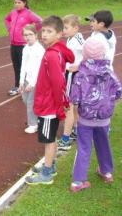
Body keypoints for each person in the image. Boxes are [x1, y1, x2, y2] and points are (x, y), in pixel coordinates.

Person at [25, 16, 74, 185]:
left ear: (59, 34)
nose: (44, 34)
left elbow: (58, 82)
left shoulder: (52, 55)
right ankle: (49, 165)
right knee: (49, 138)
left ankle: (46, 173)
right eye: (43, 31)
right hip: (49, 104)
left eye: (49, 31)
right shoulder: (54, 51)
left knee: (49, 140)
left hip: (49, 107)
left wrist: (61, 105)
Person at [69, 37, 121, 192]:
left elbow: (74, 98)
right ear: (103, 53)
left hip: (85, 118)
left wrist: (76, 115)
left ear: (84, 53)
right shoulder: (109, 73)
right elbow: (118, 91)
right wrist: (109, 102)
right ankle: (106, 172)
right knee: (103, 144)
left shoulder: (80, 74)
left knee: (84, 148)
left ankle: (78, 181)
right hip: (104, 119)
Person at [5, 0, 42, 96]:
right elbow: (6, 19)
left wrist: (33, 32)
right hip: (13, 44)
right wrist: (9, 29)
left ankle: (29, 87)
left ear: (24, 3)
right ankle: (18, 86)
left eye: (19, 2)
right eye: (15, 2)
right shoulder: (13, 13)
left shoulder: (28, 13)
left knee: (25, 67)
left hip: (23, 45)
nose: (16, 4)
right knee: (16, 66)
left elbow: (39, 21)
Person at [57, 15, 85, 151]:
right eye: (63, 27)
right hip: (71, 74)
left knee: (68, 106)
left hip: (73, 75)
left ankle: (66, 139)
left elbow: (89, 54)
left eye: (66, 28)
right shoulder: (72, 38)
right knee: (74, 106)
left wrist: (79, 66)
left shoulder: (78, 41)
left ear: (76, 28)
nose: (64, 30)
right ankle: (76, 130)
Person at [18, 24, 45, 134]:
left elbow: (39, 68)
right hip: (26, 79)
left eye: (30, 34)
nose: (28, 37)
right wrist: (20, 81)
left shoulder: (39, 49)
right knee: (25, 99)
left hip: (36, 80)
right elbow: (23, 65)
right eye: (25, 35)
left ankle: (33, 124)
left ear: (36, 35)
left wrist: (32, 83)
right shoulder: (25, 48)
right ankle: (38, 116)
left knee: (30, 102)